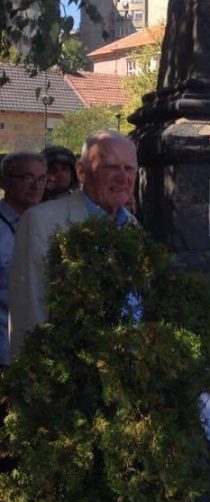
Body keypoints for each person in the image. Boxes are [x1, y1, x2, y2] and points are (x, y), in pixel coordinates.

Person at [9, 131, 138, 358]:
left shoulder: (131, 224)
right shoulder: (42, 222)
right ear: (81, 171)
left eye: (129, 169)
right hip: (68, 375)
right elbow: (30, 312)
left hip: (125, 367)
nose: (122, 177)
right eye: (110, 167)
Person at [0, 152, 47, 366]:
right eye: (27, 177)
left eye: (41, 178)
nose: (36, 186)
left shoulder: (47, 224)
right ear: (5, 181)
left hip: (38, 353)